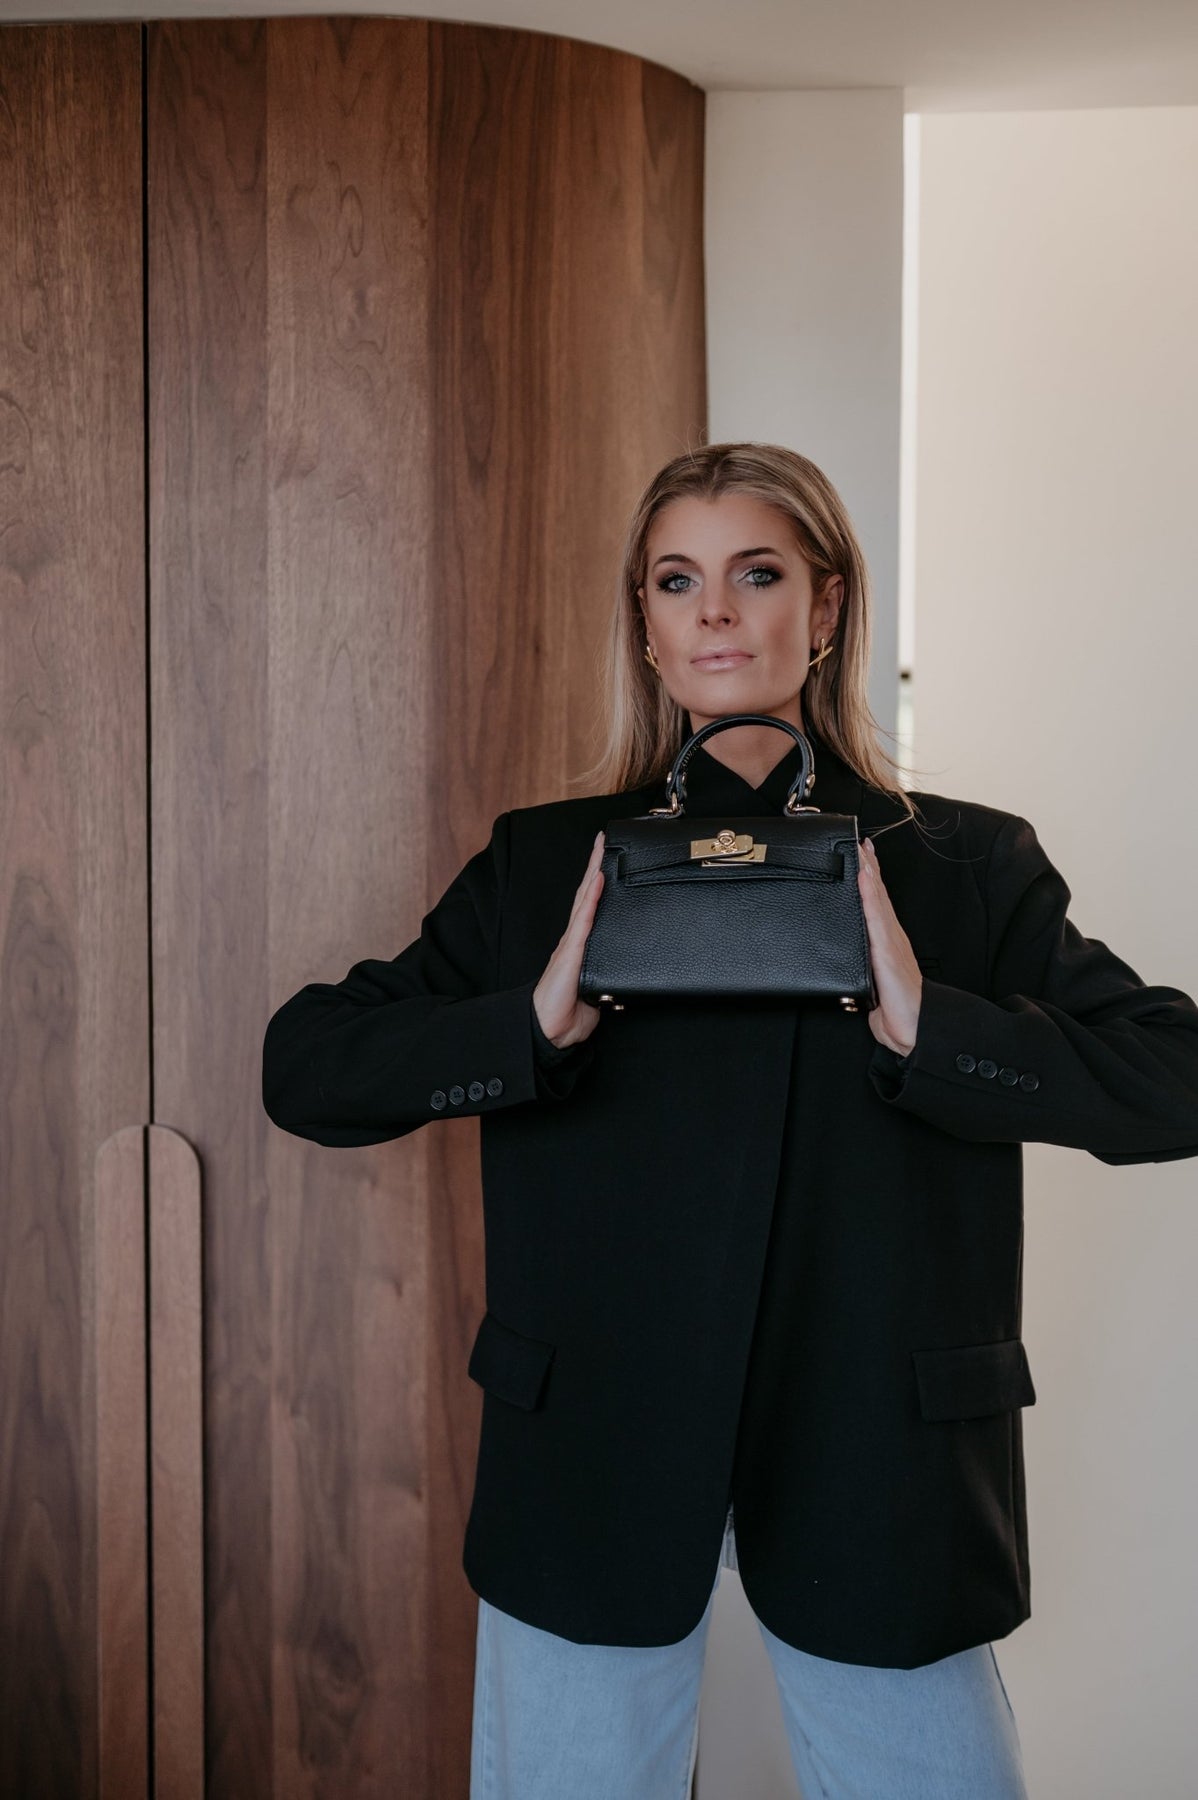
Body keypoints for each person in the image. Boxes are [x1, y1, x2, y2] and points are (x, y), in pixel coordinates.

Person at [262, 442, 1198, 1799]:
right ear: (643, 626)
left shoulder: (964, 863)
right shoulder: (545, 860)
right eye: (674, 581)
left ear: (825, 608)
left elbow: (1175, 1074)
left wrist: (937, 1029)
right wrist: (526, 1029)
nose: (713, 611)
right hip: (593, 1440)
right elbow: (308, 1068)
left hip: (883, 1446)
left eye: (755, 574)